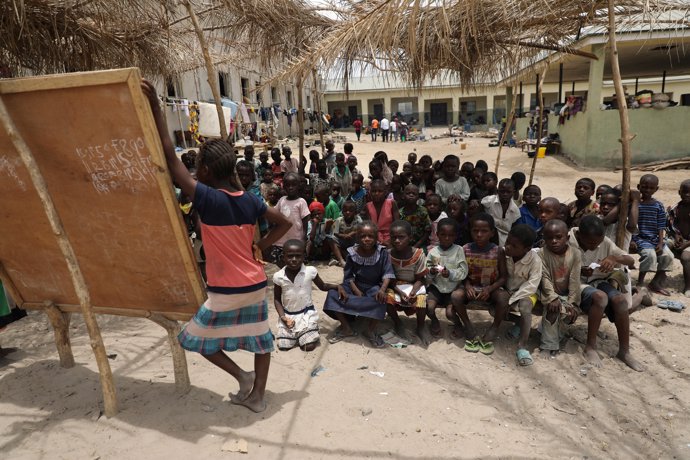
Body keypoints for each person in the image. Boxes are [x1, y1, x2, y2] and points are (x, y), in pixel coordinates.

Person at [143, 80, 291, 413]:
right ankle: (257, 396)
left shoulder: (207, 199)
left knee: (193, 338)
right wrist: (261, 248)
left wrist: (156, 110)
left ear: (207, 171)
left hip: (225, 288)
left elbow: (169, 155)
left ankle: (240, 376)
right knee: (259, 339)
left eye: (197, 168)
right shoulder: (250, 200)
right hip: (254, 283)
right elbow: (286, 222)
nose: (193, 172)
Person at [570, 215, 642, 371]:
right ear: (580, 235)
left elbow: (630, 260)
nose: (595, 246)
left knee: (621, 301)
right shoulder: (568, 239)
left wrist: (613, 258)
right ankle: (590, 346)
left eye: (598, 243)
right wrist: (579, 270)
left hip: (598, 281)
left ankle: (624, 351)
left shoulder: (603, 241)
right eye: (590, 243)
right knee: (600, 298)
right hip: (576, 284)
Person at [323, 221, 396, 348]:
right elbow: (348, 275)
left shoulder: (382, 253)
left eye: (370, 236)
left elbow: (387, 273)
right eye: (363, 236)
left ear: (376, 237)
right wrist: (355, 290)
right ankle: (346, 328)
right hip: (355, 285)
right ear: (357, 237)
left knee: (382, 299)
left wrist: (382, 289)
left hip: (373, 286)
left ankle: (370, 330)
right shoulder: (352, 253)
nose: (366, 239)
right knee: (333, 294)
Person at [452, 213, 509, 355]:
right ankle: (468, 326)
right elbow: (461, 273)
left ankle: (494, 327)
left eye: (484, 231)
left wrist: (490, 289)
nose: (479, 234)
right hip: (471, 288)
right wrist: (467, 285)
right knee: (456, 296)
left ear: (492, 233)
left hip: (490, 289)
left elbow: (503, 277)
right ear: (470, 231)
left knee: (503, 297)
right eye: (475, 231)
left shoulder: (498, 251)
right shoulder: (465, 249)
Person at [273, 240, 346, 351]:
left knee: (308, 346)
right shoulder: (278, 276)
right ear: (283, 257)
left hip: (306, 315)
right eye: (290, 256)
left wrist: (337, 286)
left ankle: (309, 330)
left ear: (303, 257)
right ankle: (297, 334)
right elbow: (277, 299)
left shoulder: (310, 271)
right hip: (288, 316)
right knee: (284, 346)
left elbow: (323, 286)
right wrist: (283, 317)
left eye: (298, 256)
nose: (294, 260)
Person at [538, 220, 581, 356]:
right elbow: (544, 278)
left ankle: (555, 336)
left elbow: (575, 279)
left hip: (567, 293)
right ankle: (548, 345)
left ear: (567, 237)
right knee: (553, 309)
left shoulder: (575, 253)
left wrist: (572, 302)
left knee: (568, 313)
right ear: (544, 238)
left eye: (558, 237)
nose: (554, 241)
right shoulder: (541, 254)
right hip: (546, 292)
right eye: (549, 238)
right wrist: (552, 297)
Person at [503, 225, 541, 366]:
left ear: (526, 249)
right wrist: (507, 296)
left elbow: (532, 285)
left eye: (513, 246)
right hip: (508, 290)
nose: (508, 247)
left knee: (525, 308)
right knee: (495, 309)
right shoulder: (503, 254)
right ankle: (519, 323)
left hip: (527, 292)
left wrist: (513, 298)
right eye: (507, 242)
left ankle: (522, 346)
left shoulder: (535, 260)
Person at [386, 220, 430, 343]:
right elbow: (389, 278)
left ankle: (420, 326)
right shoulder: (388, 254)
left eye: (401, 237)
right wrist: (399, 292)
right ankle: (398, 323)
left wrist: (413, 291)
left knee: (421, 300)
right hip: (395, 285)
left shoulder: (418, 254)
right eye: (393, 237)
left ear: (410, 237)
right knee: (386, 298)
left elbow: (421, 278)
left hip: (415, 284)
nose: (397, 241)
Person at [426, 218, 468, 339]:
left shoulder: (459, 250)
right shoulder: (433, 252)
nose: (447, 238)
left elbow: (463, 271)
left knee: (450, 314)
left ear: (455, 236)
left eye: (450, 235)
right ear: (437, 234)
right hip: (437, 286)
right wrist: (432, 272)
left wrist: (450, 273)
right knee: (429, 308)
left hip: (453, 288)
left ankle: (458, 324)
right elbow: (427, 273)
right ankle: (434, 321)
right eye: (443, 235)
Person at [633, 174, 674, 296]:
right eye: (644, 187)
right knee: (649, 255)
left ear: (656, 189)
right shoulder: (635, 204)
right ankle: (640, 282)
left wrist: (661, 242)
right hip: (640, 238)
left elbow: (661, 225)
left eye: (651, 188)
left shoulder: (658, 205)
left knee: (668, 256)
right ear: (639, 187)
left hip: (655, 239)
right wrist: (631, 240)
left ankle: (655, 282)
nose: (647, 190)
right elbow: (629, 223)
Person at [271, 172, 310, 267]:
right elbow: (275, 215)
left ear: (298, 186)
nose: (291, 187)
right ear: (284, 186)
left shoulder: (301, 202)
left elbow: (305, 222)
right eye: (288, 185)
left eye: (293, 185)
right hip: (281, 240)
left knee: (296, 264)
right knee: (280, 262)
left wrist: (304, 239)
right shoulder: (282, 200)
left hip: (296, 240)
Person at [667, 179, 690, 297]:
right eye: (685, 192)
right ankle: (659, 278)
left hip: (688, 242)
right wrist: (677, 236)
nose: (687, 195)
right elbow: (671, 225)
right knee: (662, 247)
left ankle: (688, 286)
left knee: (686, 257)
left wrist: (685, 245)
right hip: (680, 239)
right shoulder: (675, 208)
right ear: (679, 192)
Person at [481, 178, 520, 246]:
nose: (505, 194)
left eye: (508, 192)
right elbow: (479, 211)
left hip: (505, 241)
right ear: (497, 191)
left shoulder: (515, 210)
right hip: (488, 237)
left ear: (513, 192)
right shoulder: (489, 201)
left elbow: (513, 231)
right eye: (502, 191)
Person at [329, 200, 363, 267]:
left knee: (361, 237)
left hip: (354, 242)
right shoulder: (339, 219)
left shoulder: (358, 219)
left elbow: (361, 229)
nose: (347, 212)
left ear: (355, 212)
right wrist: (343, 235)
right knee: (331, 238)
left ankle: (355, 257)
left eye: (350, 211)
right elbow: (334, 232)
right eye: (345, 211)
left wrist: (352, 233)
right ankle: (341, 260)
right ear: (342, 212)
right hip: (342, 241)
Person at [366, 179, 400, 246]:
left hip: (391, 237)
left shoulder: (392, 203)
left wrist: (390, 240)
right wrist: (379, 241)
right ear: (370, 192)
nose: (376, 194)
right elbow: (370, 227)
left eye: (380, 191)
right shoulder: (368, 206)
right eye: (374, 191)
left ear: (385, 192)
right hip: (374, 238)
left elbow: (397, 225)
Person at [399, 184, 432, 249]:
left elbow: (427, 231)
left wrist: (416, 246)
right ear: (403, 196)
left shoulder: (423, 211)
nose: (411, 195)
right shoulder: (400, 213)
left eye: (414, 193)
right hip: (403, 244)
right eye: (408, 193)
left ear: (418, 197)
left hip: (421, 244)